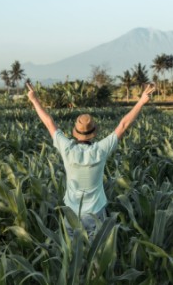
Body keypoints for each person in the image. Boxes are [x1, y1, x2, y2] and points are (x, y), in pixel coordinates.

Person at [26, 82, 156, 240]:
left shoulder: (67, 149)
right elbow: (123, 125)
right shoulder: (100, 150)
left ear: (76, 133)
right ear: (93, 133)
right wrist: (142, 101)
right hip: (95, 214)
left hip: (71, 214)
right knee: (96, 258)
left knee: (73, 257)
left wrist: (34, 99)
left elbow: (49, 122)